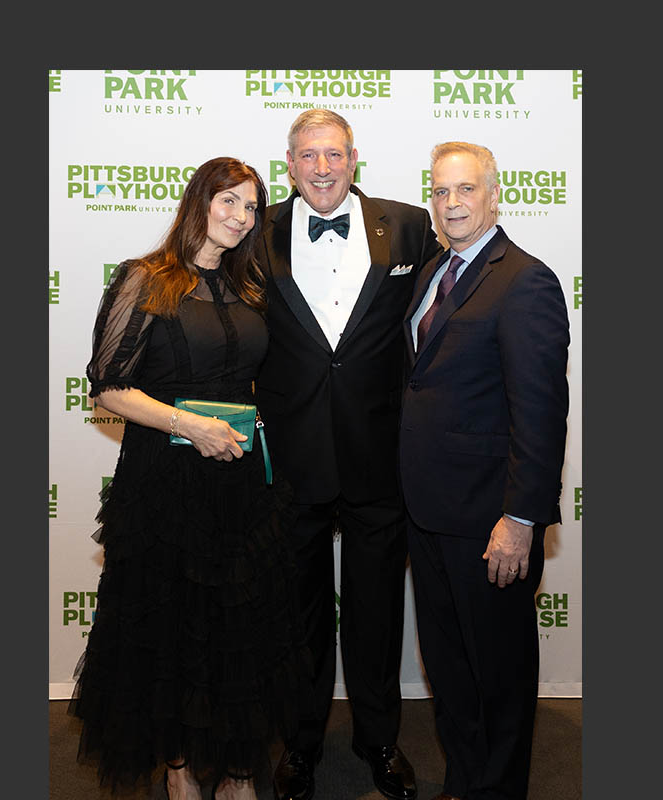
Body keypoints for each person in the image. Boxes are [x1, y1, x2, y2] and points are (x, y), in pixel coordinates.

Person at [69, 157, 314, 800]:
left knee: (240, 630)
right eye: (228, 202)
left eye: (252, 207)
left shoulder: (250, 287)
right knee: (168, 629)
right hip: (165, 482)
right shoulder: (145, 280)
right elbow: (108, 388)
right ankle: (177, 769)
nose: (240, 218)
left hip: (240, 486)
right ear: (198, 202)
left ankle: (236, 773)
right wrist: (191, 425)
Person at [254, 109, 443, 800]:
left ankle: (380, 740)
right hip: (291, 460)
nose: (323, 168)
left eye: (334, 154)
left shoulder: (411, 224)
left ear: (354, 158)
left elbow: (439, 324)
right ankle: (300, 745)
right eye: (309, 156)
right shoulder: (257, 229)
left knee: (376, 611)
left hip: (379, 455)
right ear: (290, 161)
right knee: (299, 615)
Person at [399, 141, 570, 800]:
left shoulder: (524, 279)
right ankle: (464, 783)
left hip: (489, 521)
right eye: (440, 192)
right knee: (451, 672)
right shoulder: (435, 272)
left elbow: (541, 413)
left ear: (493, 194)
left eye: (465, 189)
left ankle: (497, 790)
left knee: (497, 679)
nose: (452, 204)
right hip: (430, 513)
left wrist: (521, 520)